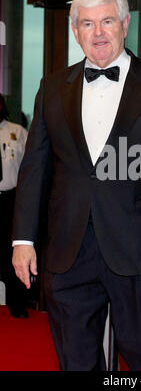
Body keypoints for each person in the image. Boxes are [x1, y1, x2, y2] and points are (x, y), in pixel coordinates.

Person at [11, 0, 141, 371]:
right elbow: (35, 168)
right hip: (68, 251)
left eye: (107, 21)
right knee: (76, 360)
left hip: (140, 248)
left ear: (125, 24)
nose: (98, 33)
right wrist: (23, 239)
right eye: (87, 24)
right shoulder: (51, 88)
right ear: (75, 30)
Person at [0, 93, 28, 318]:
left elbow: (31, 167)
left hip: (11, 199)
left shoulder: (18, 132)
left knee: (13, 251)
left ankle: (17, 305)